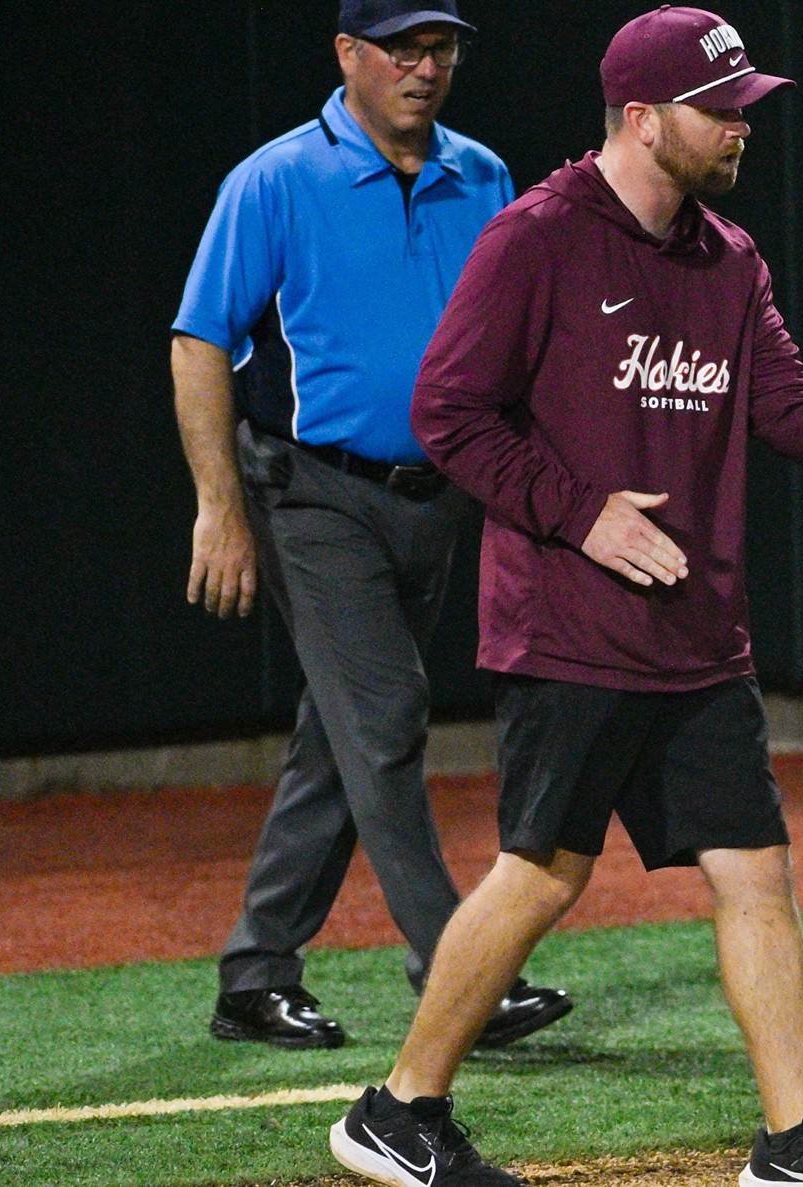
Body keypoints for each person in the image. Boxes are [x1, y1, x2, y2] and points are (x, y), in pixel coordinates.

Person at [325, 7, 803, 1186]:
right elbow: (448, 410)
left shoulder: (729, 258)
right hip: (573, 626)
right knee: (542, 871)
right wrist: (581, 511)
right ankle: (398, 1110)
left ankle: (797, 1144)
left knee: (754, 868)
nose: (744, 126)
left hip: (697, 635)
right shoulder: (538, 237)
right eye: (724, 108)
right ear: (646, 120)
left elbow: (788, 410)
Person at [171, 0, 570, 1051]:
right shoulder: (274, 180)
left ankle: (256, 972)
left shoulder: (482, 175)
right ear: (348, 54)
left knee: (341, 735)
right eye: (402, 47)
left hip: (439, 496)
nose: (425, 67)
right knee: (385, 714)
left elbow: (518, 341)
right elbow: (199, 342)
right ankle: (461, 967)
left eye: (442, 47)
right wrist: (219, 507)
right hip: (312, 493)